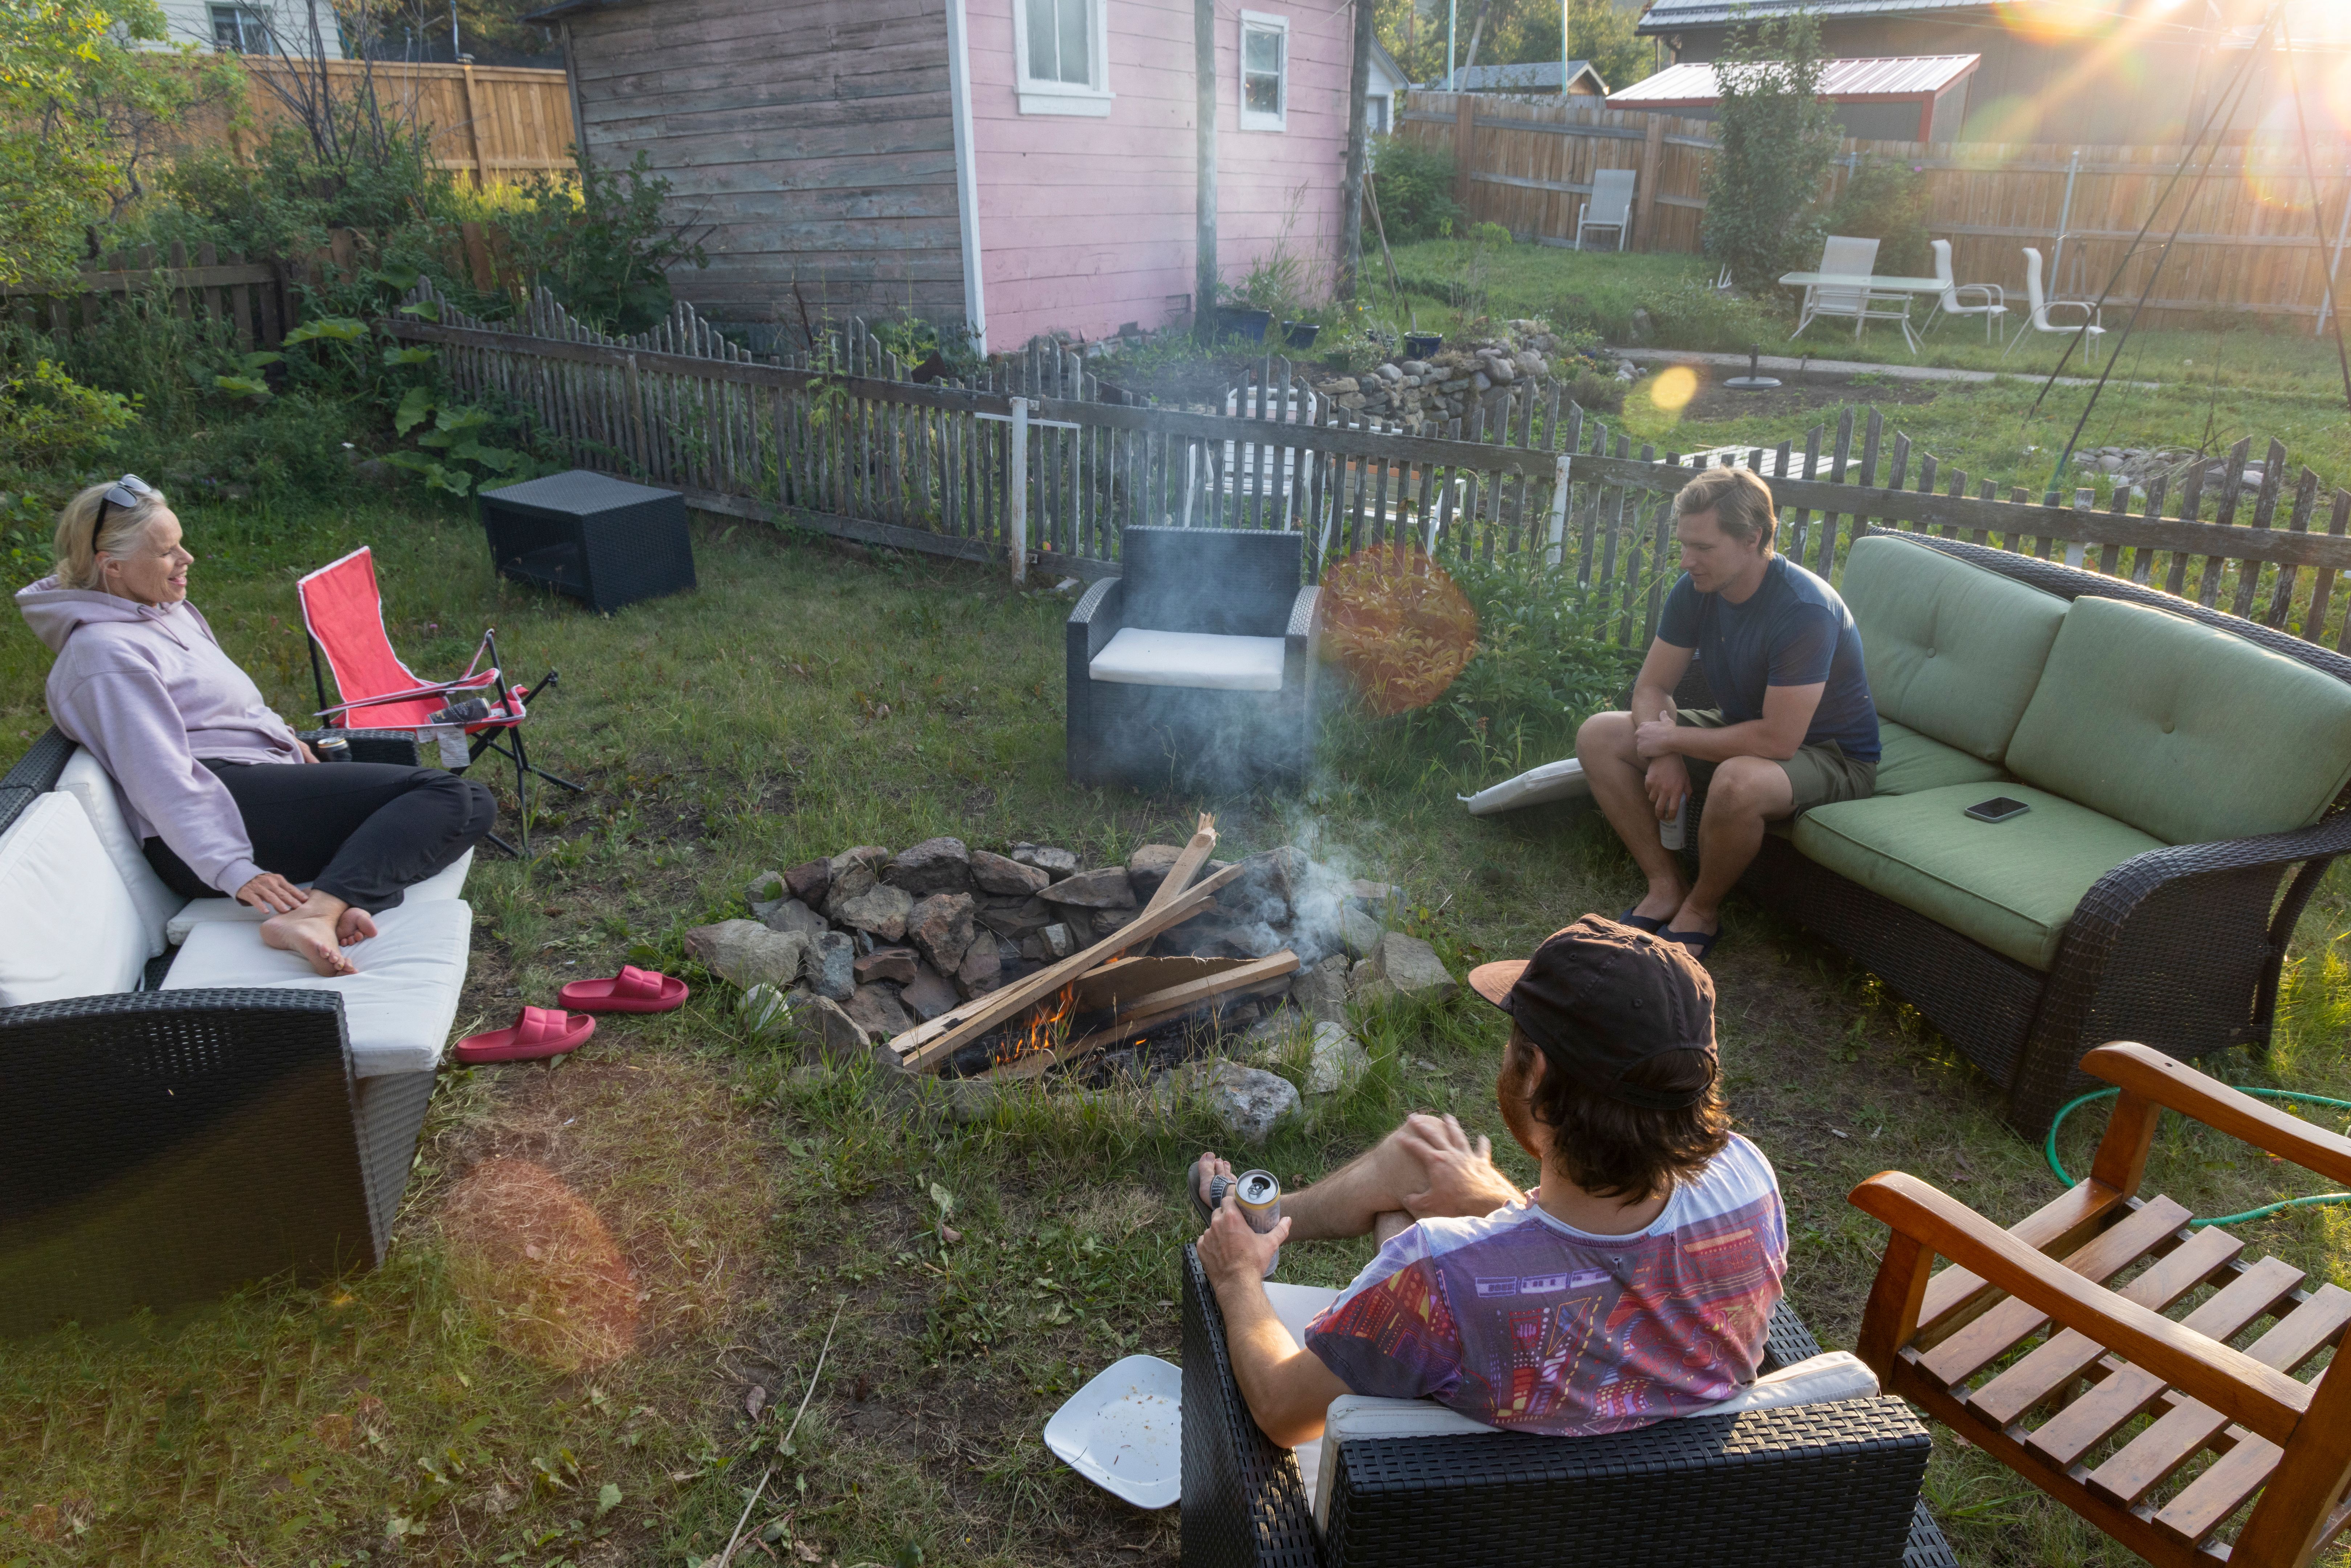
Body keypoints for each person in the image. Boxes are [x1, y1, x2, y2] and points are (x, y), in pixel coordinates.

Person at [1192, 916, 1786, 1449]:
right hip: (1672, 1501)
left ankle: (1248, 1239)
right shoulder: (1749, 1181)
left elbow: (1280, 1411)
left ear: (1538, 1075)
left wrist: (1236, 1276)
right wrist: (1500, 1203)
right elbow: (1622, 1274)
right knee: (1421, 1161)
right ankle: (1267, 1215)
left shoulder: (1433, 1275)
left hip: (1444, 1502)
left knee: (1405, 1212)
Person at [16, 476, 496, 977]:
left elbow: (231, 704)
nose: (186, 558)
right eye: (166, 552)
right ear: (111, 566)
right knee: (443, 795)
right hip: (209, 825)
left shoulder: (164, 612)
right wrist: (232, 869)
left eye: (181, 543)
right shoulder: (104, 656)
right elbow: (158, 775)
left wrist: (285, 739)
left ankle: (333, 905)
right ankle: (318, 914)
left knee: (475, 802)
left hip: (250, 785)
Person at [1574, 466, 1879, 963]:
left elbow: (1779, 741)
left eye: (1704, 548)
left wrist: (1673, 741)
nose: (1687, 561)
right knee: (1599, 735)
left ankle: (1701, 911)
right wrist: (1663, 754)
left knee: (1738, 781)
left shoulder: (1804, 610)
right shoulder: (1696, 590)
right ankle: (1665, 886)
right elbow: (1652, 687)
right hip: (1743, 729)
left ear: (1752, 539)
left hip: (1831, 755)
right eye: (1684, 545)